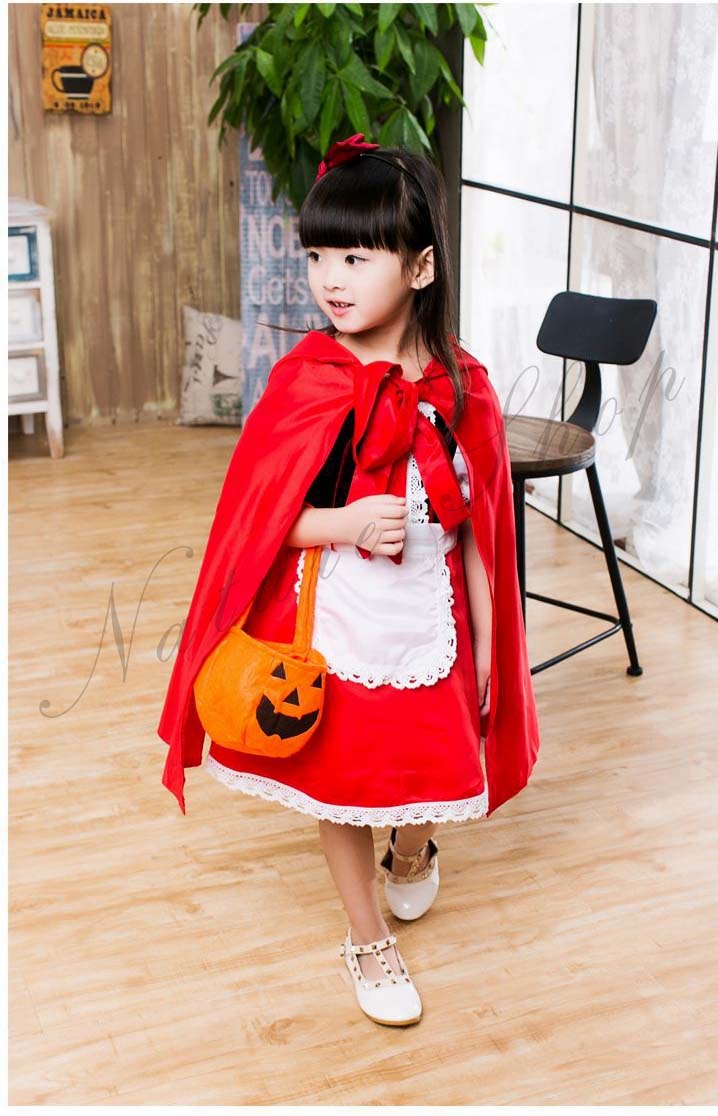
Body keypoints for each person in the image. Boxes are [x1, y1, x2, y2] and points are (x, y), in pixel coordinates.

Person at [157, 134, 541, 1027]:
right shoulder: (308, 382)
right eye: (318, 256)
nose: (330, 279)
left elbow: (482, 534)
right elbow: (256, 519)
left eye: (356, 258)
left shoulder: (466, 390)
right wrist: (344, 523)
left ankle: (412, 851)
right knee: (338, 781)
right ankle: (367, 939)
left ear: (421, 267)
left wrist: (492, 644)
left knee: (430, 768)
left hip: (433, 623)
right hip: (331, 625)